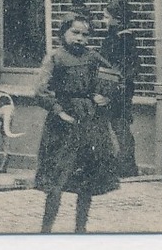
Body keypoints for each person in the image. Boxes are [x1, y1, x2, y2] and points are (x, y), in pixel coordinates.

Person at [34, 13, 121, 232]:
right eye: (75, 32)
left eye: (85, 34)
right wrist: (58, 111)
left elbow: (114, 77)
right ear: (63, 32)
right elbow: (40, 91)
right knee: (57, 179)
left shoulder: (93, 57)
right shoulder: (55, 57)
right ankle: (45, 230)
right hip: (63, 123)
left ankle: (80, 229)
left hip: (89, 122)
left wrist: (105, 96)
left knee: (86, 180)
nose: (80, 38)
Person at [99, 0, 141, 176]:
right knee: (117, 125)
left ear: (117, 19)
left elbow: (120, 67)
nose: (104, 21)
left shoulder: (120, 40)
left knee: (119, 126)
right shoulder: (122, 38)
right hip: (119, 88)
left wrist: (110, 88)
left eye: (106, 17)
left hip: (117, 90)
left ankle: (126, 165)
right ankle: (122, 163)